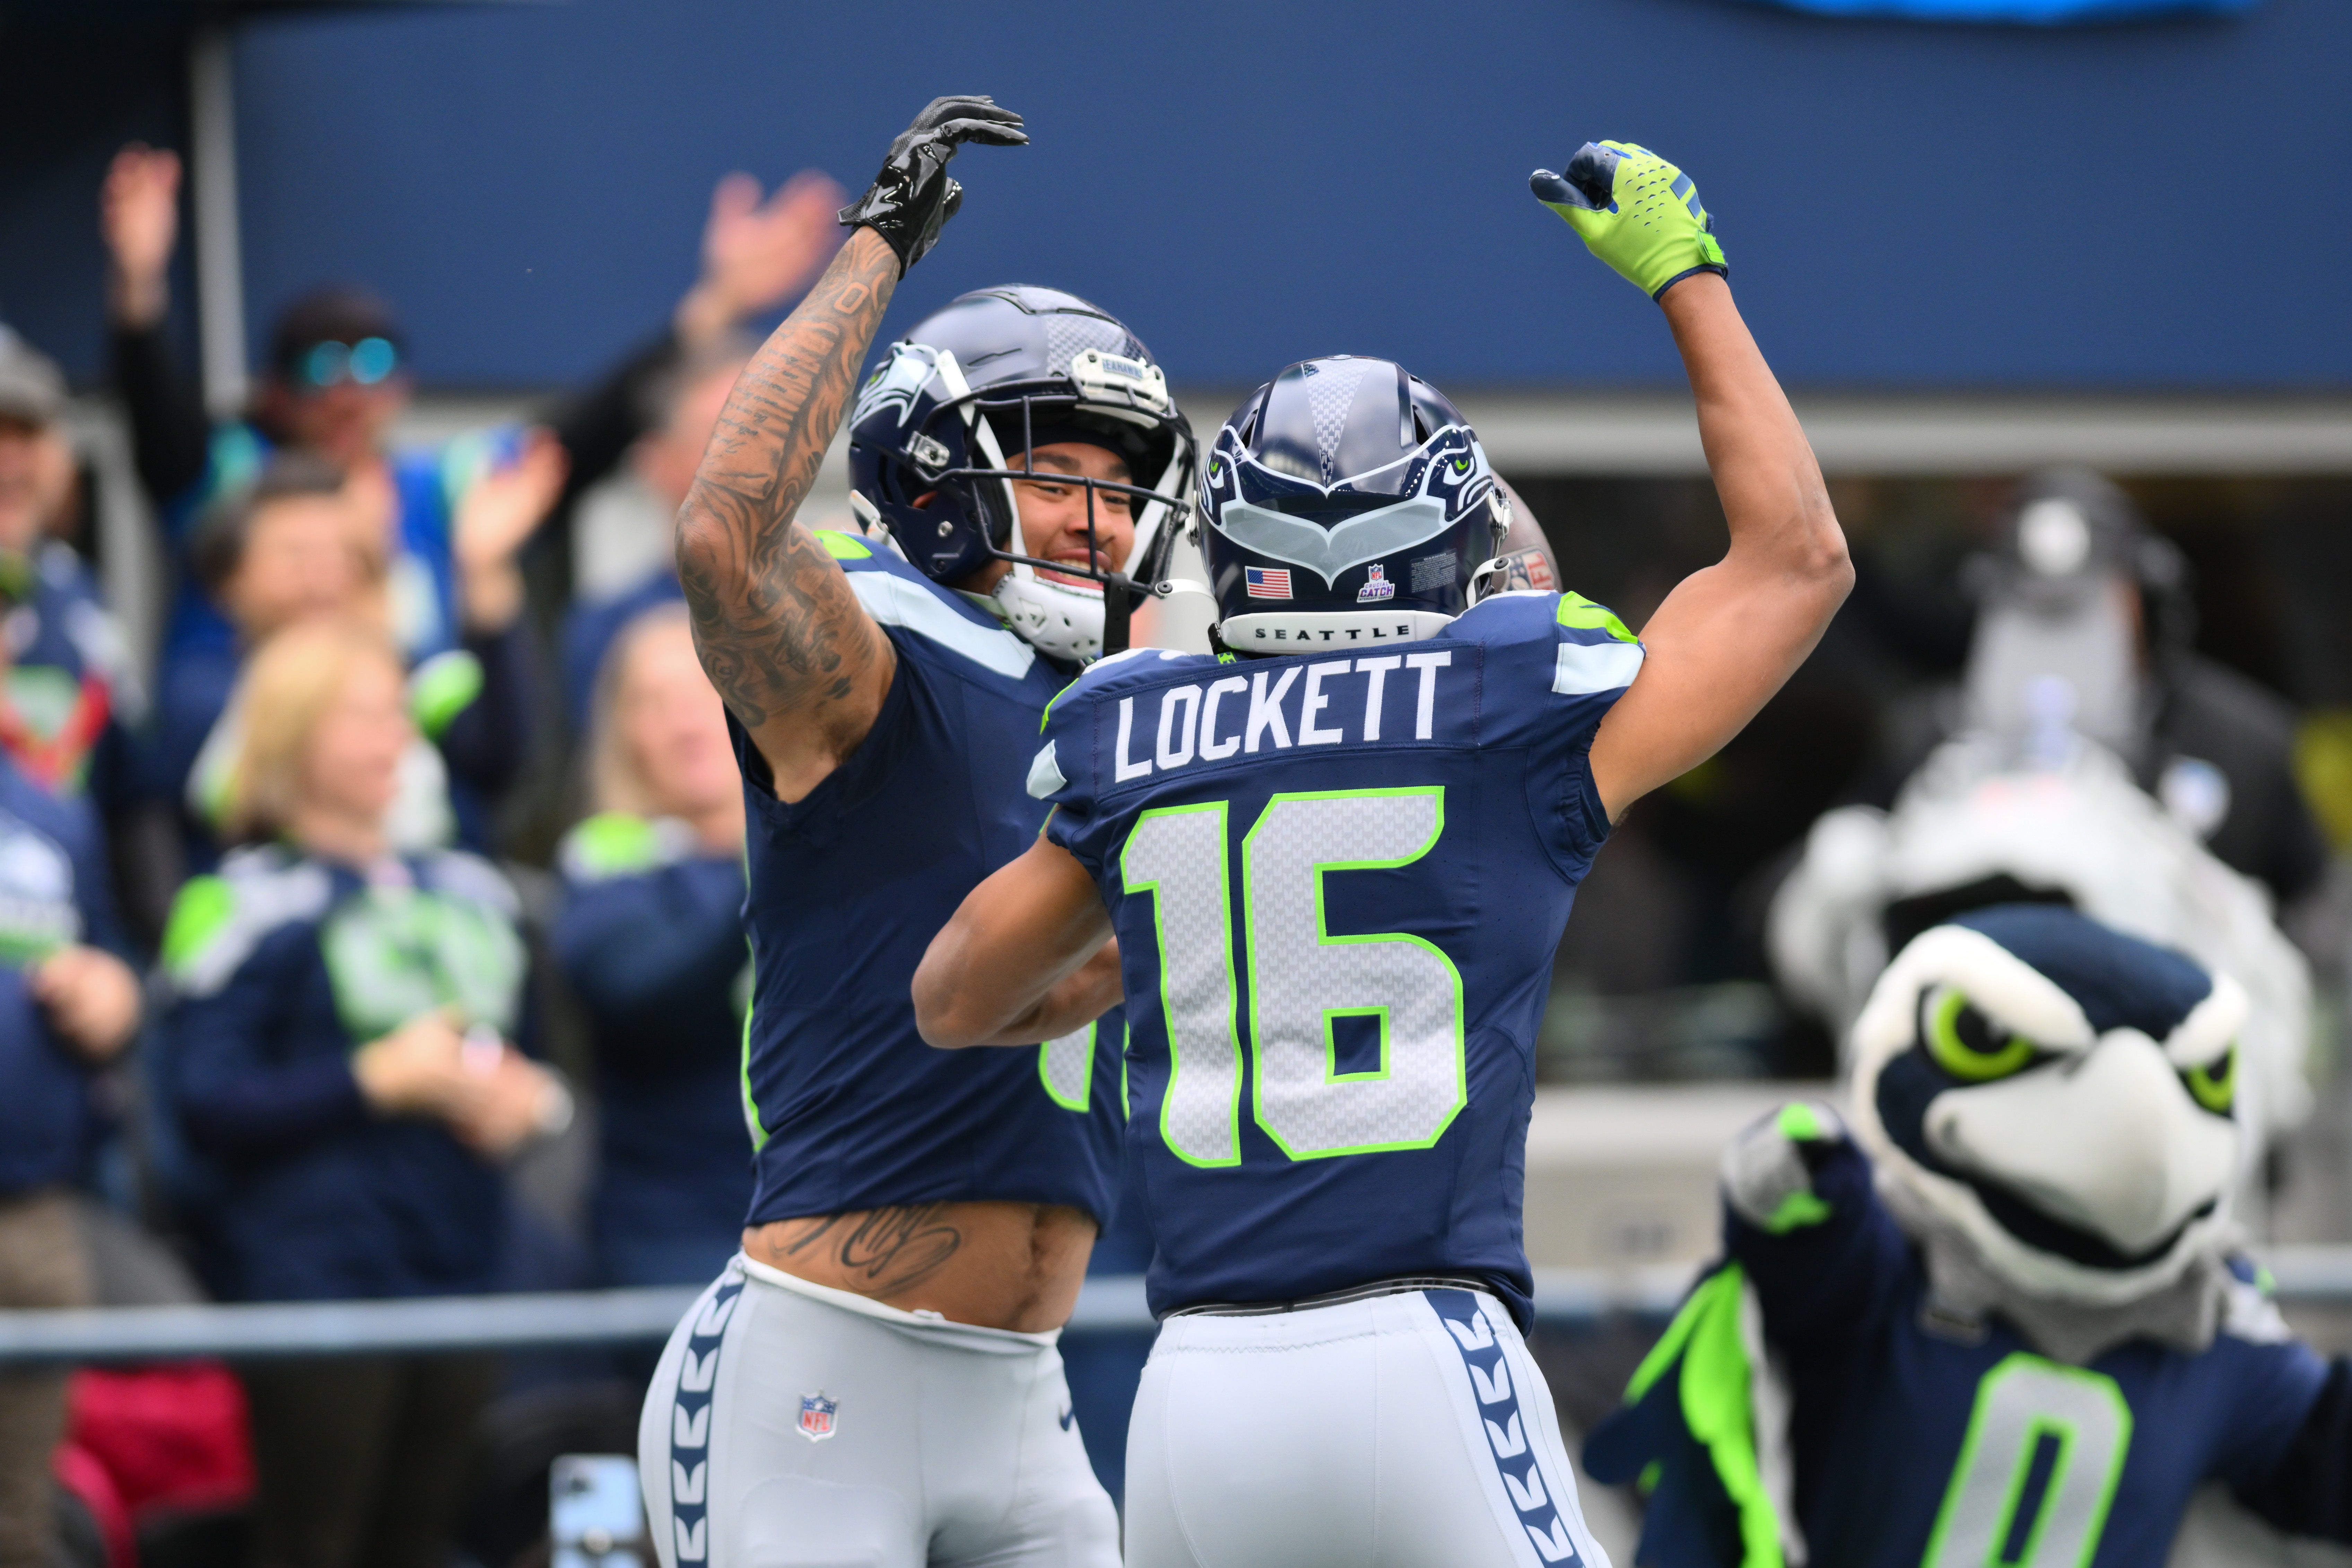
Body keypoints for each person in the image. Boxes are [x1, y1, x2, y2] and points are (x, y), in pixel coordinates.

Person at [911, 138, 1851, 1566]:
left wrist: (1160, 952)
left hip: (1192, 1394)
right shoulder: (1509, 709)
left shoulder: (1140, 729)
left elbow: (955, 998)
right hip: (1411, 1354)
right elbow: (1794, 562)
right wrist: (1685, 277)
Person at [635, 97, 1200, 1567]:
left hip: (1029, 1400)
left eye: (1123, 482)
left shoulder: (1127, 707)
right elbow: (723, 538)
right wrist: (877, 250)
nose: (1102, 516)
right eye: (1062, 470)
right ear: (937, 475)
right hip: (818, 1380)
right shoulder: (886, 646)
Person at [1585, 906, 2352, 1565]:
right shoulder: (1894, 1265)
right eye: (1984, 1036)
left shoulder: (2210, 1331)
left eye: (2202, 1075)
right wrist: (1803, 1179)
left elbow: (2319, 1463)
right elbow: (1804, 1258)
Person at [99, 144, 844, 668]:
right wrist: (139, 294)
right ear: (278, 390)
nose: (351, 393)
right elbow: (160, 439)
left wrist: (714, 308)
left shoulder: (432, 491)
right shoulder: (236, 481)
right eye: (325, 368)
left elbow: (573, 444)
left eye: (376, 364)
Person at [155, 619, 566, 1568]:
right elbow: (203, 1103)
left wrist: (530, 1104)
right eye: (363, 717)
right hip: (318, 1277)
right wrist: (372, 1081)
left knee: (419, 1540)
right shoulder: (237, 899)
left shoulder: (471, 887)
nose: (395, 739)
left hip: (464, 1262)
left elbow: (537, 1060)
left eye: (397, 715)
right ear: (292, 733)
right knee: (314, 1542)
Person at [150, 453, 549, 867]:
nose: (324, 577)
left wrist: (484, 571)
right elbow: (247, 802)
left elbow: (497, 756)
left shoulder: (403, 670)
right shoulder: (201, 692)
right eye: (295, 555)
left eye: (344, 552)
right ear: (229, 580)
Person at [0, 623, 142, 1568]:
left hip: (34, 1210)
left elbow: (117, 962)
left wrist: (111, 996)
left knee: (19, 1523)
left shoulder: (51, 811)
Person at [554, 603, 749, 1288]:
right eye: (652, 702)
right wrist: (773, 867)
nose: (685, 722)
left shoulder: (841, 845)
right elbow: (641, 991)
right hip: (680, 1233)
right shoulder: (607, 860)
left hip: (852, 1212)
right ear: (623, 732)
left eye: (704, 689)